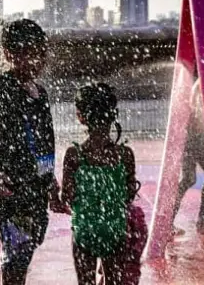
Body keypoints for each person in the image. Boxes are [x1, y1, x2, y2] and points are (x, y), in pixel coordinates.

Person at [0, 19, 64, 285]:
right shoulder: (1, 89)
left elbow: (44, 140)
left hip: (35, 184)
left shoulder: (41, 93)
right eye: (26, 53)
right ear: (9, 55)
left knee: (28, 243)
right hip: (9, 183)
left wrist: (50, 181)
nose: (35, 60)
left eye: (39, 52)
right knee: (17, 248)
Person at [61, 84, 142, 285]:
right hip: (115, 230)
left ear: (81, 117)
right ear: (113, 115)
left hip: (85, 231)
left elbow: (67, 196)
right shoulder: (125, 154)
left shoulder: (75, 155)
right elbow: (129, 193)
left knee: (86, 282)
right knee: (113, 281)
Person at [170, 82, 204, 236]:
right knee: (191, 178)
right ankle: (171, 220)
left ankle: (201, 218)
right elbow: (198, 109)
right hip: (192, 138)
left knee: (203, 176)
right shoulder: (201, 85)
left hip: (195, 138)